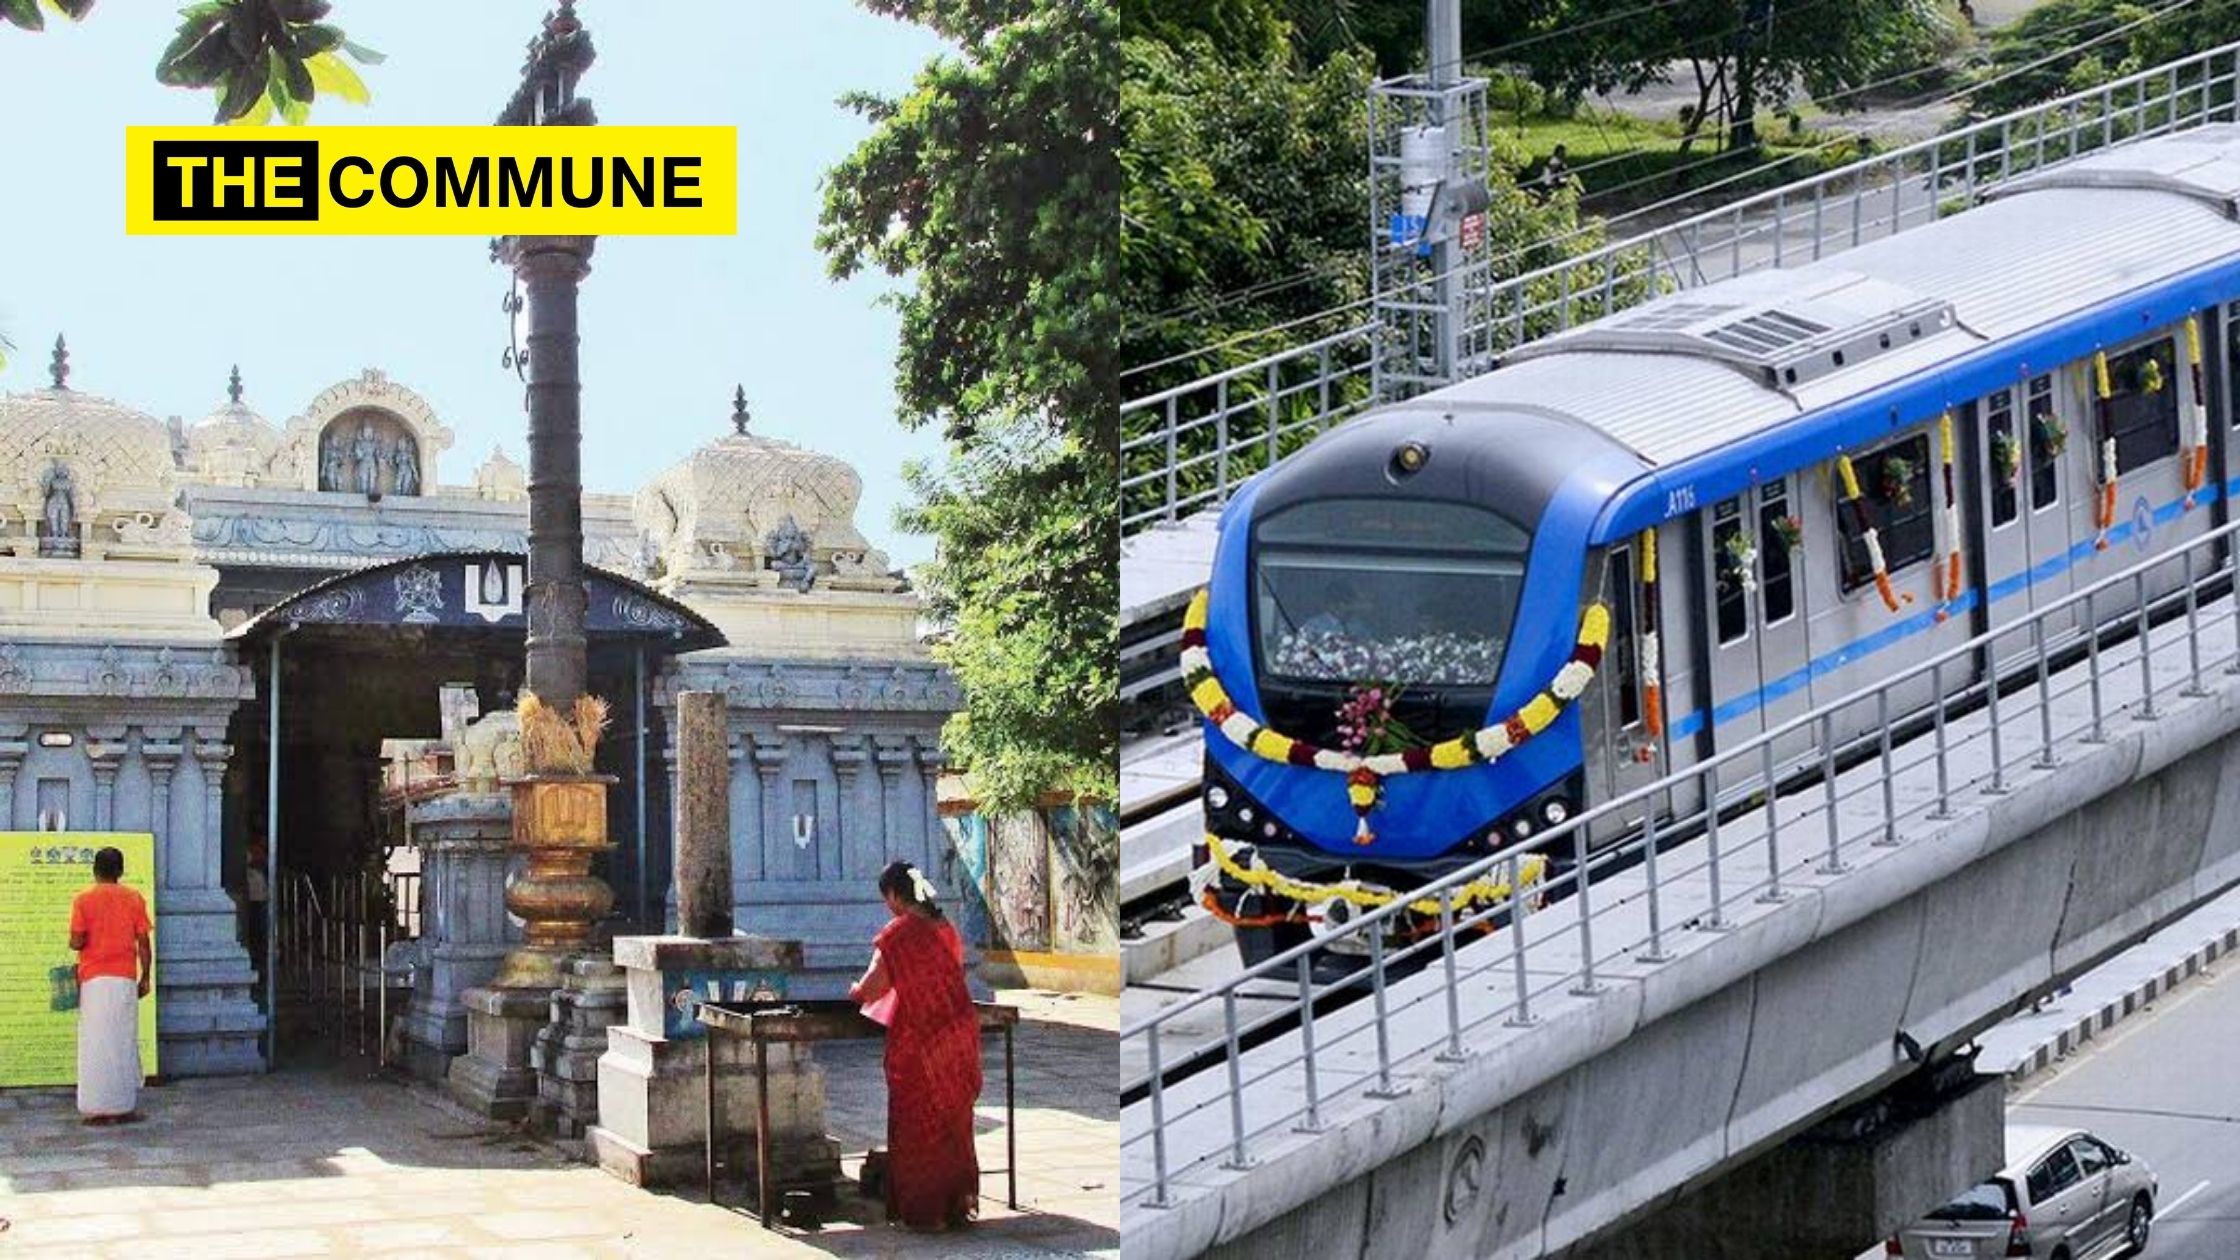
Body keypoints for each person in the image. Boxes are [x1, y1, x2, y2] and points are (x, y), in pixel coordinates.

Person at [847, 860, 981, 1231]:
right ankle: (956, 1205)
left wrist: (856, 991)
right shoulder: (946, 928)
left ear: (893, 895)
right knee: (954, 1123)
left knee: (918, 1128)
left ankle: (927, 1213)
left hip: (921, 1042)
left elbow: (874, 986)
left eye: (886, 898)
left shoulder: (899, 933)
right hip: (958, 1034)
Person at [68, 846, 153, 1125]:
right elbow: (143, 943)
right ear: (120, 871)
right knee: (123, 1040)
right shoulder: (134, 898)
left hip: (93, 980)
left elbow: (77, 941)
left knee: (94, 1042)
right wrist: (145, 977)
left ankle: (95, 1109)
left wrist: (80, 941)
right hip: (123, 978)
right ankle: (123, 1107)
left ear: (95, 870)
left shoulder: (83, 900)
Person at [241, 836, 269, 986]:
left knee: (261, 937)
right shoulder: (247, 857)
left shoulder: (260, 869)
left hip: (260, 899)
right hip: (251, 901)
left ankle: (262, 969)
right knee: (254, 936)